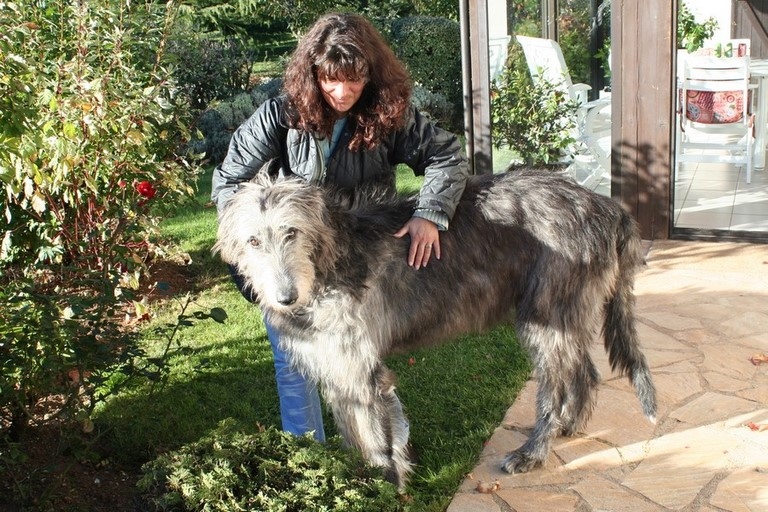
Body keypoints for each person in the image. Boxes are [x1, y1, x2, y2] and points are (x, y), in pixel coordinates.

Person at [211, 12, 469, 442]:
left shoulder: (389, 114)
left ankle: (390, 437)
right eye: (330, 79)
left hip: (361, 262)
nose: (342, 91)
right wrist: (252, 243)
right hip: (290, 253)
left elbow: (446, 156)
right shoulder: (280, 114)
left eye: (354, 79)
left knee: (362, 355)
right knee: (294, 361)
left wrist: (431, 213)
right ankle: (309, 450)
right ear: (312, 72)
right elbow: (229, 180)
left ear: (371, 73)